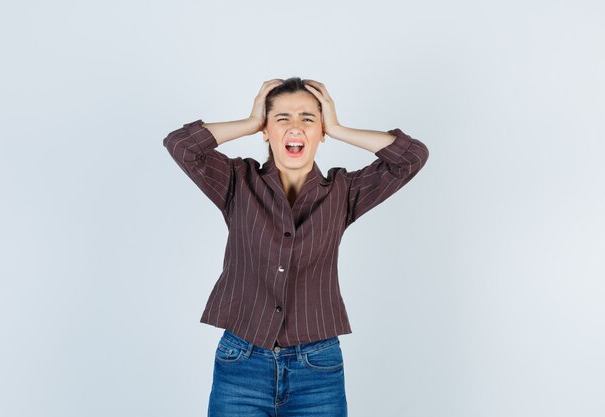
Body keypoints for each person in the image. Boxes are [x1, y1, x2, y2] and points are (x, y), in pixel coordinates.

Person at [162, 77, 429, 416]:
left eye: (307, 118)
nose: (295, 127)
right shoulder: (237, 182)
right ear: (266, 128)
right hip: (241, 363)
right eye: (282, 118)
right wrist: (248, 122)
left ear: (321, 132)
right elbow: (181, 144)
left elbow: (411, 157)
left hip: (317, 369)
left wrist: (339, 127)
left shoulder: (343, 192)